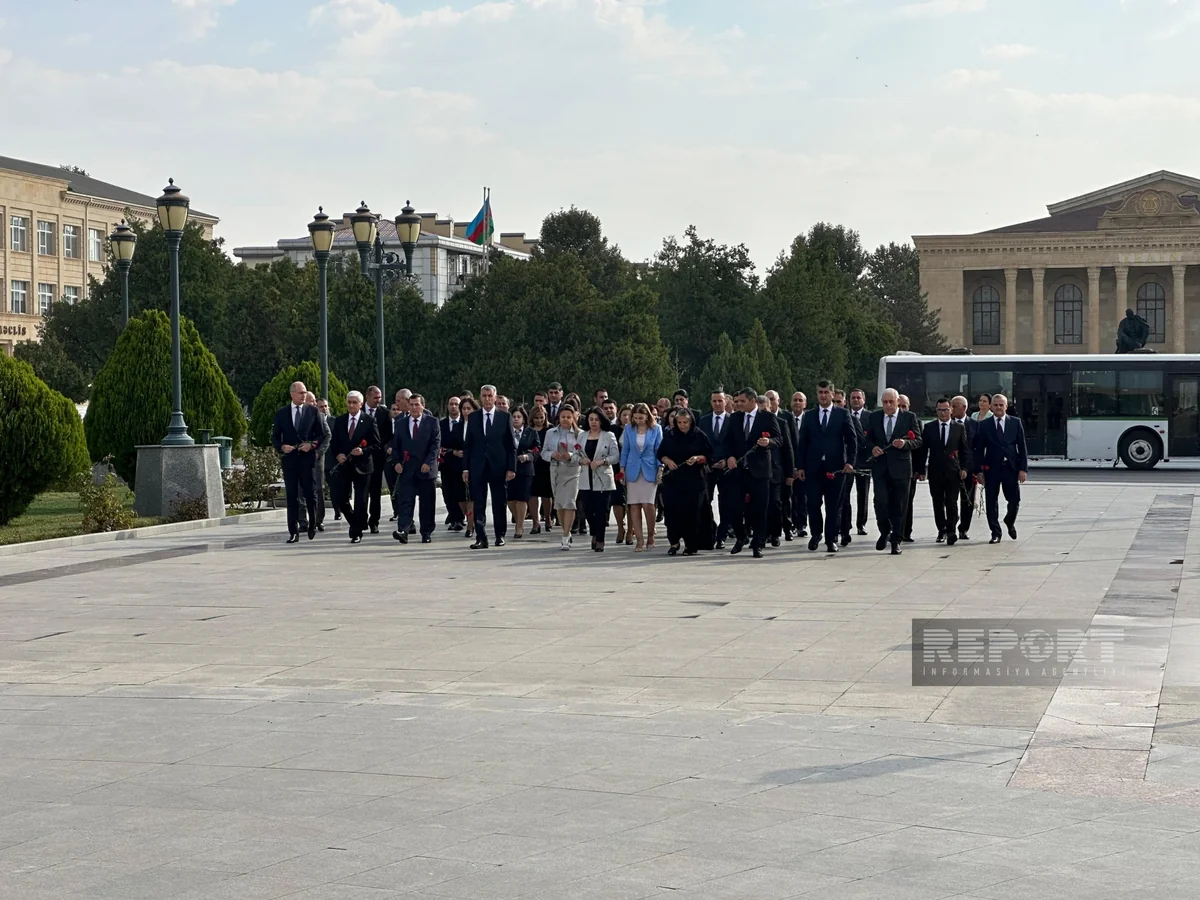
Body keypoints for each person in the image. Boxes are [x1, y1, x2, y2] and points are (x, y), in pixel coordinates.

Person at [796, 380, 858, 553]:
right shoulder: (809, 415)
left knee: (834, 506)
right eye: (820, 392)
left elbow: (852, 441)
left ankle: (831, 539)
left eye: (826, 392)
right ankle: (816, 534)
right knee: (813, 503)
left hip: (836, 468)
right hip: (813, 468)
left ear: (832, 394)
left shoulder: (842, 414)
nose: (823, 395)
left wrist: (850, 462)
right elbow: (803, 443)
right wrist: (800, 466)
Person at [864, 388, 922, 555]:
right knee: (880, 502)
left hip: (901, 469)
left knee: (899, 505)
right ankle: (884, 531)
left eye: (891, 402)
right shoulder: (875, 417)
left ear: (898, 402)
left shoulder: (909, 417)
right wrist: (873, 448)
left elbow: (918, 440)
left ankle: (896, 540)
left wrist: (905, 444)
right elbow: (867, 439)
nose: (888, 405)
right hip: (881, 468)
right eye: (885, 402)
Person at [726, 387, 780, 559]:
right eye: (737, 402)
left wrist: (768, 442)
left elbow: (780, 439)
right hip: (739, 470)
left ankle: (758, 543)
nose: (738, 404)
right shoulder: (735, 418)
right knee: (733, 506)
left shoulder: (767, 417)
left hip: (760, 470)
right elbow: (728, 441)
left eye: (742, 401)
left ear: (752, 401)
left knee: (760, 509)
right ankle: (741, 536)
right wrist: (729, 456)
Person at [463, 385, 517, 549]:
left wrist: (511, 467)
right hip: (478, 466)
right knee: (478, 501)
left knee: (499, 502)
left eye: (489, 396)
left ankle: (500, 535)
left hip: (498, 466)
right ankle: (481, 537)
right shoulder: (473, 417)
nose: (486, 399)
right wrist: (465, 468)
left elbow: (510, 445)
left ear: (495, 397)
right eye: (483, 396)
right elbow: (468, 445)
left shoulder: (504, 417)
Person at [271, 381, 324, 543]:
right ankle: (293, 531)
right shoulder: (282, 414)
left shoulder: (313, 412)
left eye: (305, 392)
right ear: (292, 394)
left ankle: (312, 524)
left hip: (307, 460)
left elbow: (321, 436)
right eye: (301, 393)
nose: (304, 395)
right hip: (290, 460)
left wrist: (311, 445)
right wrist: (281, 447)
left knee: (310, 493)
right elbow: (274, 437)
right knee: (292, 495)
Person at [657, 407, 714, 556]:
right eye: (680, 422)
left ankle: (691, 544)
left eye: (685, 423)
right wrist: (667, 460)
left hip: (694, 480)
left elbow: (709, 455)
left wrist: (697, 458)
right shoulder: (670, 435)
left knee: (692, 513)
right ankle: (674, 542)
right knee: (673, 512)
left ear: (691, 422)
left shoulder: (699, 435)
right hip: (673, 480)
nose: (682, 425)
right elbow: (660, 454)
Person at [915, 397, 972, 546]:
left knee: (952, 502)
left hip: (953, 471)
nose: (943, 413)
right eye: (940, 410)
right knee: (937, 502)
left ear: (951, 410)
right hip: (935, 471)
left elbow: (965, 450)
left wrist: (965, 468)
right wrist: (921, 470)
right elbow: (923, 450)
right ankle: (942, 530)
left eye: (946, 410)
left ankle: (951, 530)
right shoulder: (930, 428)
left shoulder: (959, 427)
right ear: (936, 411)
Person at [974, 393, 1028, 543]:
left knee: (1014, 500)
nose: (998, 407)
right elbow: (979, 449)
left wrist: (1023, 469)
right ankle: (995, 532)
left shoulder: (1015, 423)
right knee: (991, 502)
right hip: (991, 469)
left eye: (1001, 405)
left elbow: (1022, 447)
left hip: (1010, 468)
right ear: (991, 406)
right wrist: (979, 471)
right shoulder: (984, 425)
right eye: (995, 405)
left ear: (1006, 406)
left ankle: (1009, 521)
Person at [328, 390, 380, 544]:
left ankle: (356, 532)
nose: (351, 405)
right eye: (349, 402)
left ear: (361, 404)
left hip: (362, 467)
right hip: (344, 466)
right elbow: (334, 442)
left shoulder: (369, 421)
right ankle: (357, 521)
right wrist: (337, 454)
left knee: (361, 500)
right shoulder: (340, 420)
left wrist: (363, 451)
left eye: (354, 402)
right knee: (340, 498)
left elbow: (376, 445)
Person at [390, 393, 440, 545]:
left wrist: (429, 462)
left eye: (416, 404)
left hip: (426, 469)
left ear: (422, 406)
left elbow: (435, 444)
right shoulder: (401, 423)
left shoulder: (432, 422)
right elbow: (396, 446)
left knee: (427, 503)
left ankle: (426, 532)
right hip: (407, 469)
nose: (413, 407)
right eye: (411, 404)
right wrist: (396, 462)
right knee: (405, 501)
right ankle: (403, 530)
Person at [576, 408, 621, 551]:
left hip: (603, 479)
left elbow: (615, 456)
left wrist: (602, 461)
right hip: (585, 477)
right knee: (587, 509)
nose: (593, 422)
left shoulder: (609, 435)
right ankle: (594, 532)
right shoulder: (582, 436)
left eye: (596, 419)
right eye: (591, 419)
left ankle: (600, 539)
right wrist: (580, 459)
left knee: (601, 510)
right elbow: (575, 455)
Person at [543, 405, 586, 550]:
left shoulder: (580, 434)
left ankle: (566, 536)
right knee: (559, 504)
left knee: (569, 503)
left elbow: (583, 455)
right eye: (563, 417)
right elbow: (544, 452)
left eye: (569, 417)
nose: (566, 420)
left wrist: (572, 456)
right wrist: (551, 455)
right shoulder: (551, 433)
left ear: (574, 417)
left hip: (573, 472)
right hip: (556, 470)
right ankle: (564, 529)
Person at [621, 402, 661, 552]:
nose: (638, 420)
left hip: (650, 469)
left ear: (647, 416)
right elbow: (625, 450)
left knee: (648, 504)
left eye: (641, 417)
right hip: (632, 469)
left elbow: (659, 450)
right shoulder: (628, 429)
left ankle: (651, 535)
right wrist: (622, 469)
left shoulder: (656, 429)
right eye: (636, 418)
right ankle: (639, 539)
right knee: (634, 505)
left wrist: (660, 468)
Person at [700, 388, 735, 549]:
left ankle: (722, 535)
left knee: (726, 502)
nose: (717, 403)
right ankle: (710, 532)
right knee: (706, 500)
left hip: (726, 468)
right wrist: (707, 460)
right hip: (708, 468)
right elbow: (701, 444)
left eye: (720, 400)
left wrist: (726, 460)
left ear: (725, 402)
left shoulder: (733, 420)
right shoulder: (704, 420)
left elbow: (736, 444)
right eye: (714, 401)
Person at [764, 390, 796, 548]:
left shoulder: (784, 420)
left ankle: (784, 529)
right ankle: (769, 532)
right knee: (768, 503)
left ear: (777, 401)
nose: (770, 402)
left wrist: (791, 471)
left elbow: (790, 447)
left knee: (782, 501)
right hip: (763, 470)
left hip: (780, 468)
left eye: (772, 399)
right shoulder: (759, 421)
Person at [298, 391, 331, 533]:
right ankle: (303, 522)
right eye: (309, 401)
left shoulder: (320, 417)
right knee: (299, 490)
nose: (311, 404)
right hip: (299, 459)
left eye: (313, 402)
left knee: (317, 489)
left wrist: (318, 452)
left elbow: (327, 436)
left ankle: (318, 520)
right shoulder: (297, 417)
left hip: (316, 459)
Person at [363, 386, 393, 535]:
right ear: (367, 397)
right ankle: (361, 519)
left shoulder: (384, 413)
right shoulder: (359, 410)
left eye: (380, 397)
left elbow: (388, 435)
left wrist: (379, 446)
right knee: (362, 491)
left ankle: (374, 522)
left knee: (375, 492)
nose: (378, 400)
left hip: (377, 458)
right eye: (376, 398)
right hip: (360, 457)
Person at [950, 395, 980, 540]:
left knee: (967, 500)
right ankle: (950, 524)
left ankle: (963, 528)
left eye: (955, 406)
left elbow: (978, 448)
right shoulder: (947, 423)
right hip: (950, 467)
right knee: (949, 499)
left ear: (964, 408)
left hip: (969, 468)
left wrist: (977, 469)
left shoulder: (974, 425)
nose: (951, 409)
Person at [507, 406, 539, 539]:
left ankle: (519, 526)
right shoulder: (505, 431)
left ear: (524, 419)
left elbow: (537, 448)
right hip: (509, 468)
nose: (516, 419)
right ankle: (518, 517)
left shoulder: (531, 432)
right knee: (510, 499)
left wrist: (528, 456)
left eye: (518, 417)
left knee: (521, 499)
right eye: (513, 417)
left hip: (525, 469)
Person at [846, 389, 871, 538]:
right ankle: (846, 524)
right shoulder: (844, 415)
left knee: (863, 494)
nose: (855, 400)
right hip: (848, 462)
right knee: (845, 494)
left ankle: (861, 523)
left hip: (864, 461)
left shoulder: (870, 417)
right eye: (853, 398)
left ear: (864, 400)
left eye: (858, 398)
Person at [439, 396, 466, 531]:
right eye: (451, 404)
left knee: (459, 492)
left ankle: (459, 519)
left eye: (456, 404)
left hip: (462, 465)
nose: (454, 406)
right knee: (447, 492)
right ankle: (454, 517)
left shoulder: (465, 423)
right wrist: (451, 452)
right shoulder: (441, 424)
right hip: (446, 464)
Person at [455, 397, 479, 538]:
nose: (465, 411)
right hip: (458, 464)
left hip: (474, 463)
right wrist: (455, 452)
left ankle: (471, 525)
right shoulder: (458, 426)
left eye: (468, 408)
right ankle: (469, 518)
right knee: (460, 496)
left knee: (471, 496)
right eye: (463, 408)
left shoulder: (478, 425)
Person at [529, 404, 553, 535]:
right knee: (532, 494)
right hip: (531, 465)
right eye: (536, 418)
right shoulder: (528, 430)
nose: (539, 420)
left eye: (541, 417)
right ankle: (535, 522)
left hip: (546, 464)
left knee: (546, 494)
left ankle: (548, 518)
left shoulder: (550, 430)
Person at [610, 404, 632, 544]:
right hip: (616, 468)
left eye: (629, 415)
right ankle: (620, 528)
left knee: (631, 501)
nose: (627, 417)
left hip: (633, 468)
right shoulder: (613, 430)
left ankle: (631, 530)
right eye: (624, 414)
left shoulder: (637, 431)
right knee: (617, 499)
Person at [898, 393, 918, 543]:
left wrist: (919, 470)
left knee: (907, 501)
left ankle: (906, 531)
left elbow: (919, 446)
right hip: (890, 468)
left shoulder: (912, 420)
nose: (901, 409)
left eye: (904, 406)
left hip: (909, 469)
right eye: (899, 406)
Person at [789, 391, 808, 539]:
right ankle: (791, 524)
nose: (797, 403)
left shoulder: (810, 419)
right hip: (789, 465)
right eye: (795, 400)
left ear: (805, 404)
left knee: (802, 496)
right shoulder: (785, 419)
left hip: (805, 466)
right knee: (789, 497)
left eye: (800, 400)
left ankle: (801, 524)